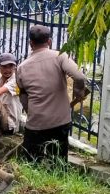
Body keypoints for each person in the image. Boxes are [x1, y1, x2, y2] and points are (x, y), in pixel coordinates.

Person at [16, 24, 87, 164]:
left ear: (31, 43)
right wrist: (79, 92)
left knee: (32, 163)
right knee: (58, 162)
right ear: (49, 41)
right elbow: (79, 77)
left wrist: (32, 112)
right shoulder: (60, 57)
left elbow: (23, 96)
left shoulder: (21, 68)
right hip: (59, 122)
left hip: (36, 124)